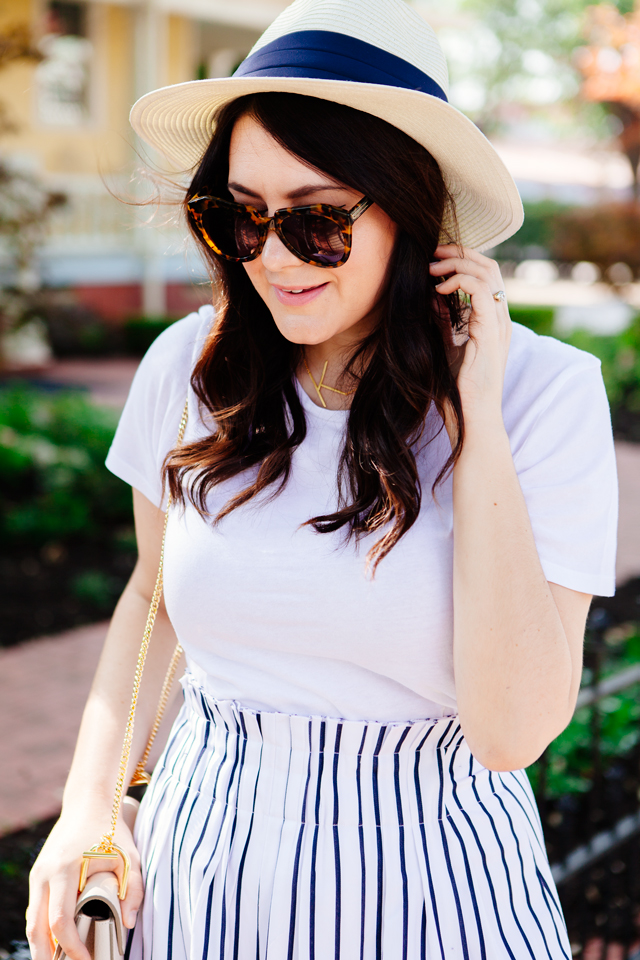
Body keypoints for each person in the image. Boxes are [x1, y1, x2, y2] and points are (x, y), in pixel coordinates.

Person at [27, 0, 618, 957]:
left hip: (432, 889)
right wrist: (89, 810)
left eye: (318, 224)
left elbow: (513, 732)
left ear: (412, 213)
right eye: (241, 218)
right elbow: (154, 598)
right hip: (196, 874)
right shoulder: (192, 367)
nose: (270, 258)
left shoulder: (546, 394)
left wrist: (477, 414)